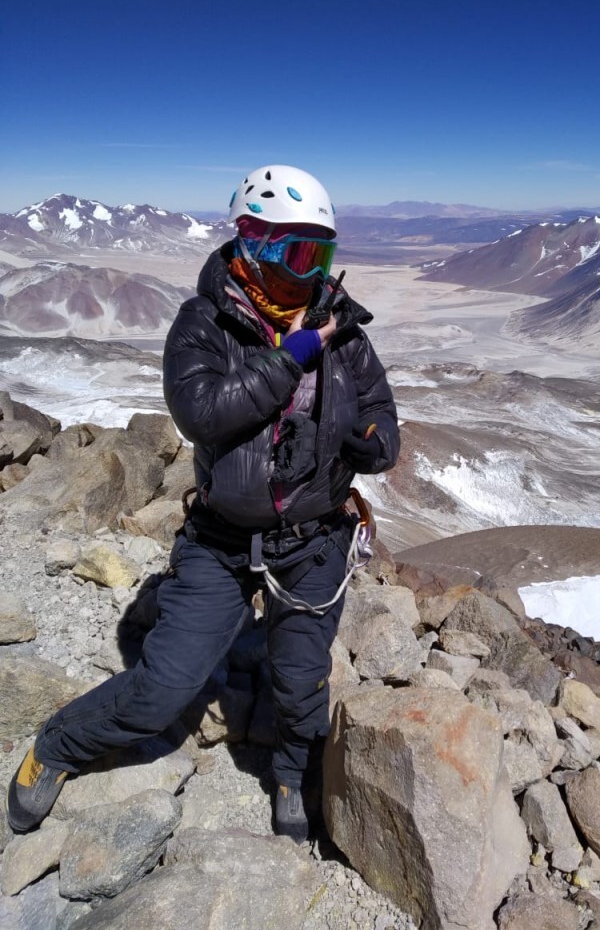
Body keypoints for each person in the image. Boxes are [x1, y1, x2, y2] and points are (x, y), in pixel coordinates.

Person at [7, 164, 400, 843]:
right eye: (297, 253)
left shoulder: (344, 332)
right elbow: (203, 413)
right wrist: (295, 354)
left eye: (322, 255)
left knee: (303, 684)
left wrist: (372, 442)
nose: (311, 273)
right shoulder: (205, 324)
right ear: (252, 244)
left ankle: (288, 774)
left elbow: (382, 417)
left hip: (313, 544)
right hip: (221, 542)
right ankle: (58, 745)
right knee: (164, 687)